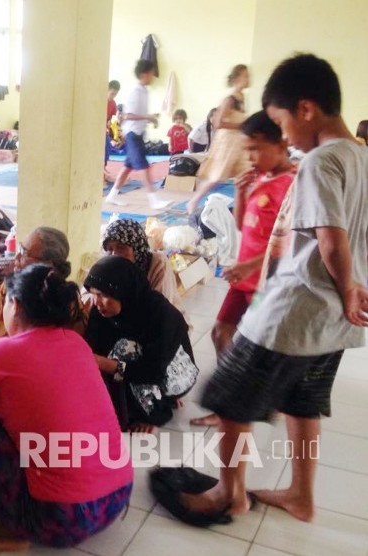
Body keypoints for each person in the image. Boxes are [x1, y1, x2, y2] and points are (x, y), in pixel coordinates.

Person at [171, 54, 368, 525]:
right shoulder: (361, 155)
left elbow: (330, 239)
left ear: (305, 109)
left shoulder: (321, 161)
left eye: (281, 122)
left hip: (296, 308)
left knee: (229, 399)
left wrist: (345, 288)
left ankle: (228, 493)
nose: (286, 137)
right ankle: (302, 496)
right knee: (303, 403)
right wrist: (354, 291)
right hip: (335, 321)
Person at [0, 265, 133, 550]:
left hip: (60, 519)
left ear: (15, 304)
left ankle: (2, 525)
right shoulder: (76, 343)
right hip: (116, 498)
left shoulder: (1, 352)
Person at [191, 112, 295, 428]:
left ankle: (242, 404)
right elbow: (241, 226)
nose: (250, 157)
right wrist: (240, 192)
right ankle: (232, 400)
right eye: (247, 149)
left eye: (257, 149)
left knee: (259, 347)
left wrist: (249, 265)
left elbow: (287, 246)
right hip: (243, 278)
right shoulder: (260, 178)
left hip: (265, 283)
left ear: (282, 144)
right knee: (221, 332)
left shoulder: (290, 186)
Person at [84, 256, 197, 433]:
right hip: (140, 368)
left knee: (125, 349)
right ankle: (142, 403)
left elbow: (154, 370)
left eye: (104, 295)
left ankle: (154, 413)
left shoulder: (160, 313)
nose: (98, 302)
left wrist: (102, 363)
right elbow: (94, 348)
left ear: (123, 291)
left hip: (174, 373)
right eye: (94, 294)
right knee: (117, 354)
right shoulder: (101, 311)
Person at [0, 226, 84, 342]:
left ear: (47, 264)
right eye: (20, 249)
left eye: (24, 252)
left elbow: (64, 352)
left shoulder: (68, 305)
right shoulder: (8, 289)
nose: (17, 257)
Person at [105, 60, 172, 209]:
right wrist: (148, 117)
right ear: (144, 74)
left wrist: (150, 118)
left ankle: (112, 195)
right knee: (143, 165)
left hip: (138, 133)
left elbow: (137, 114)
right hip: (132, 134)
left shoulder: (144, 91)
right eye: (151, 73)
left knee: (128, 166)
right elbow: (127, 115)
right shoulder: (135, 92)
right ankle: (153, 199)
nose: (153, 77)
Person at [187, 65, 251, 214]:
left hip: (239, 142)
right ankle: (193, 200)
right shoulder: (230, 99)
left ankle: (247, 206)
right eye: (245, 76)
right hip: (228, 142)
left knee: (246, 172)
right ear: (236, 79)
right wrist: (240, 125)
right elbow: (218, 122)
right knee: (216, 176)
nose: (248, 79)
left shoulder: (241, 97)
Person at [100, 218, 186, 316]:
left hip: (166, 323)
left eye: (121, 248)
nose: (114, 254)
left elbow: (159, 309)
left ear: (137, 248)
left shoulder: (157, 263)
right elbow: (88, 294)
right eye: (109, 249)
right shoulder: (108, 265)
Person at [104, 79, 121, 179]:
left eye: (115, 94)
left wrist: (116, 134)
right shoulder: (102, 101)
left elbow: (112, 119)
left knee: (107, 149)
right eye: (112, 93)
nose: (113, 96)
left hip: (106, 129)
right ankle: (101, 171)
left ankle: (104, 169)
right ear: (107, 90)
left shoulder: (113, 104)